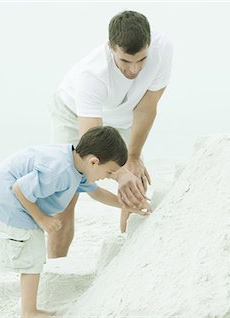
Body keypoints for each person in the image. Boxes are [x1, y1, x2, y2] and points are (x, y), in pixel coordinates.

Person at [0, 126, 150, 318]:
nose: (107, 178)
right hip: (9, 202)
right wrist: (42, 219)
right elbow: (20, 189)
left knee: (33, 257)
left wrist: (127, 205)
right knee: (31, 258)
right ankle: (29, 312)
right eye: (109, 172)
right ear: (94, 161)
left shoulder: (78, 167)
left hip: (15, 201)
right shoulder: (59, 170)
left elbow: (97, 194)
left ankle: (29, 309)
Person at [49, 10, 173, 258]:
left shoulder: (162, 49)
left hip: (123, 116)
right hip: (75, 115)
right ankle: (56, 268)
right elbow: (92, 144)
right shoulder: (91, 76)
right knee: (65, 196)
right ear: (111, 48)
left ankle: (131, 254)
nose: (134, 70)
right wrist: (118, 173)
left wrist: (133, 159)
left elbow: (147, 108)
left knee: (135, 181)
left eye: (141, 60)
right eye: (126, 61)